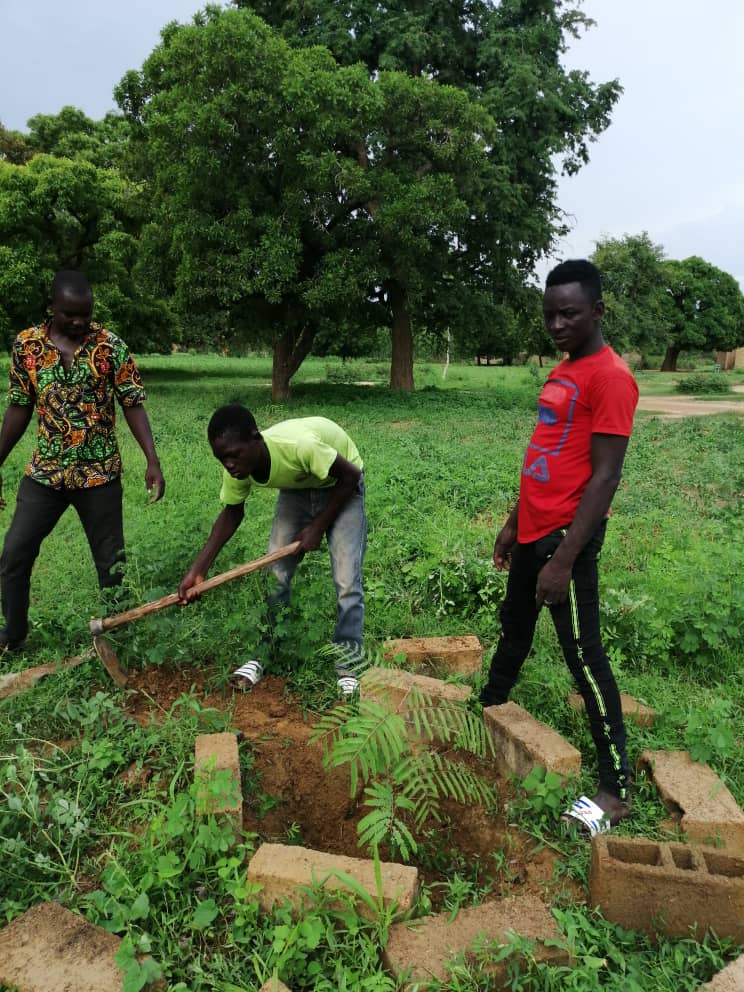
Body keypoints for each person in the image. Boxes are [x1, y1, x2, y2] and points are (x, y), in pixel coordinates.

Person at [479, 259, 638, 835]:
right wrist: (511, 522)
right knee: (513, 626)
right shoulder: (563, 372)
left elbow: (604, 478)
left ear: (597, 310)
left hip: (565, 542)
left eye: (569, 312)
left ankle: (615, 790)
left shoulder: (611, 377)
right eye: (549, 314)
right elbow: (546, 454)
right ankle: (490, 710)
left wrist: (564, 561)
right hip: (531, 530)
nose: (557, 323)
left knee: (585, 659)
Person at [0, 270, 165, 653]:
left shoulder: (109, 347)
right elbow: (19, 409)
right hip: (45, 473)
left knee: (112, 565)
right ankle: (14, 634)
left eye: (85, 315)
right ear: (51, 308)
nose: (79, 322)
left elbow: (132, 402)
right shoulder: (27, 347)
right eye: (70, 315)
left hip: (99, 475)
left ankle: (117, 636)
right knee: (14, 553)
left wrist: (152, 459)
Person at [178, 405, 366, 696]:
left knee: (347, 579)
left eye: (234, 455)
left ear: (256, 439)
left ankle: (348, 663)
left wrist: (317, 527)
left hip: (341, 482)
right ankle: (262, 654)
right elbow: (231, 513)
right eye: (221, 458)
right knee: (275, 574)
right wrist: (198, 569)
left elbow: (351, 476)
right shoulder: (237, 470)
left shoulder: (299, 446)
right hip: (298, 487)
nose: (228, 464)